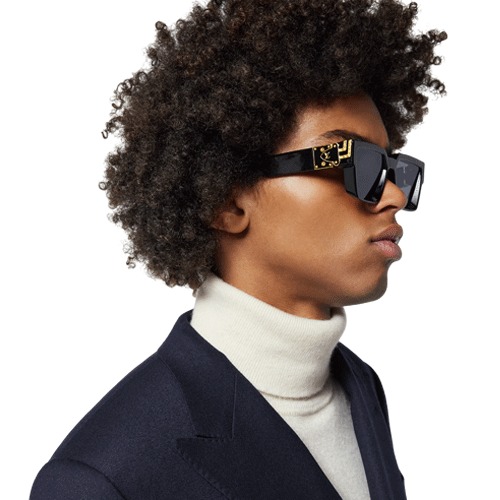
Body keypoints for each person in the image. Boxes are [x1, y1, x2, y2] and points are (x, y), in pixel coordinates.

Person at [30, 0, 446, 498]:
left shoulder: (359, 388)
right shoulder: (104, 477)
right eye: (352, 162)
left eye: (393, 168)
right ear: (227, 201)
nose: (394, 195)